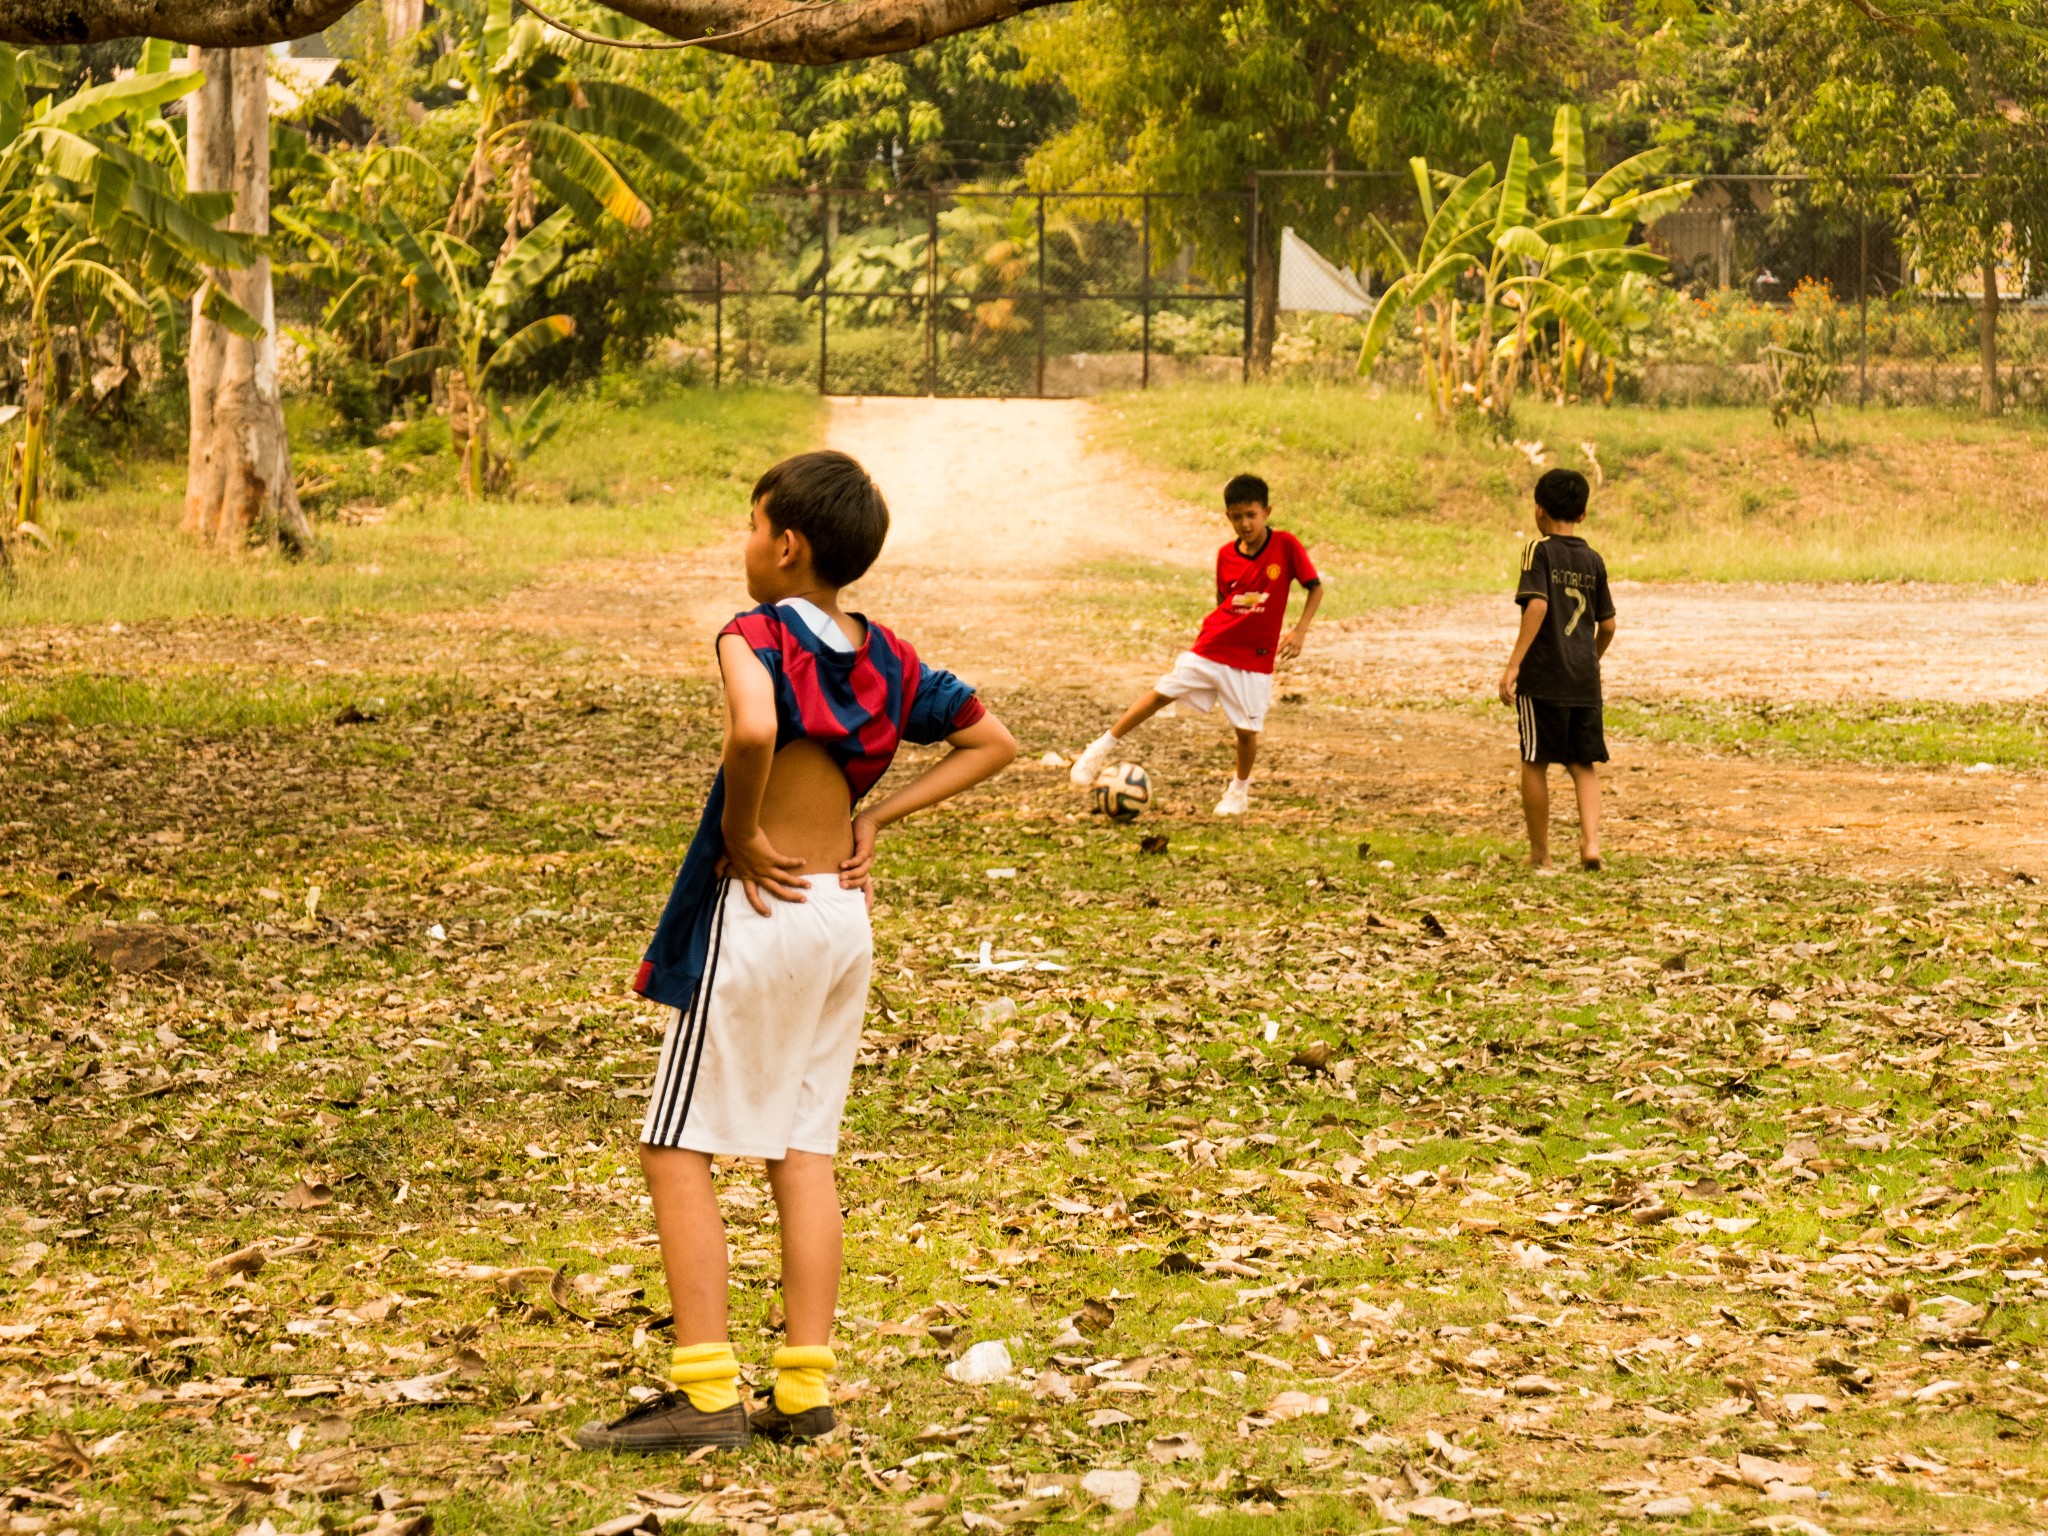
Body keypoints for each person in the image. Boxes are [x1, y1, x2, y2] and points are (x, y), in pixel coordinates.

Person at [577, 451, 1016, 1453]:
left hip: (761, 908)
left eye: (749, 523)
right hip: (838, 921)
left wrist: (739, 828)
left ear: (786, 543)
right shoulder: (890, 659)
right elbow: (994, 740)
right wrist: (881, 818)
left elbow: (751, 732)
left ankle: (702, 1394)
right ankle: (804, 1387)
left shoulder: (754, 635)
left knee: (674, 1146)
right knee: (800, 1147)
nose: (744, 543)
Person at [1066, 473, 1322, 815]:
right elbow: (1224, 600)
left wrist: (1300, 630)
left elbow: (1315, 587)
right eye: (1237, 517)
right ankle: (1099, 747)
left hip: (1255, 658)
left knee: (1246, 732)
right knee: (1161, 693)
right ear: (1227, 517)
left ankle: (1238, 793)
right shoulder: (1225, 556)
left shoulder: (1286, 546)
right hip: (1214, 645)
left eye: (1251, 515)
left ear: (1267, 512)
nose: (1245, 524)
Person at [1497, 467, 1616, 871]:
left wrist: (1514, 664)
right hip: (1584, 680)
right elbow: (1609, 625)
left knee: (1535, 759)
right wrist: (1590, 661)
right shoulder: (1594, 560)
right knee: (1583, 764)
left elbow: (1539, 604)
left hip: (1544, 676)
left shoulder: (1539, 551)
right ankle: (1591, 844)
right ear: (1582, 515)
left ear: (1539, 510)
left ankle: (1541, 855)